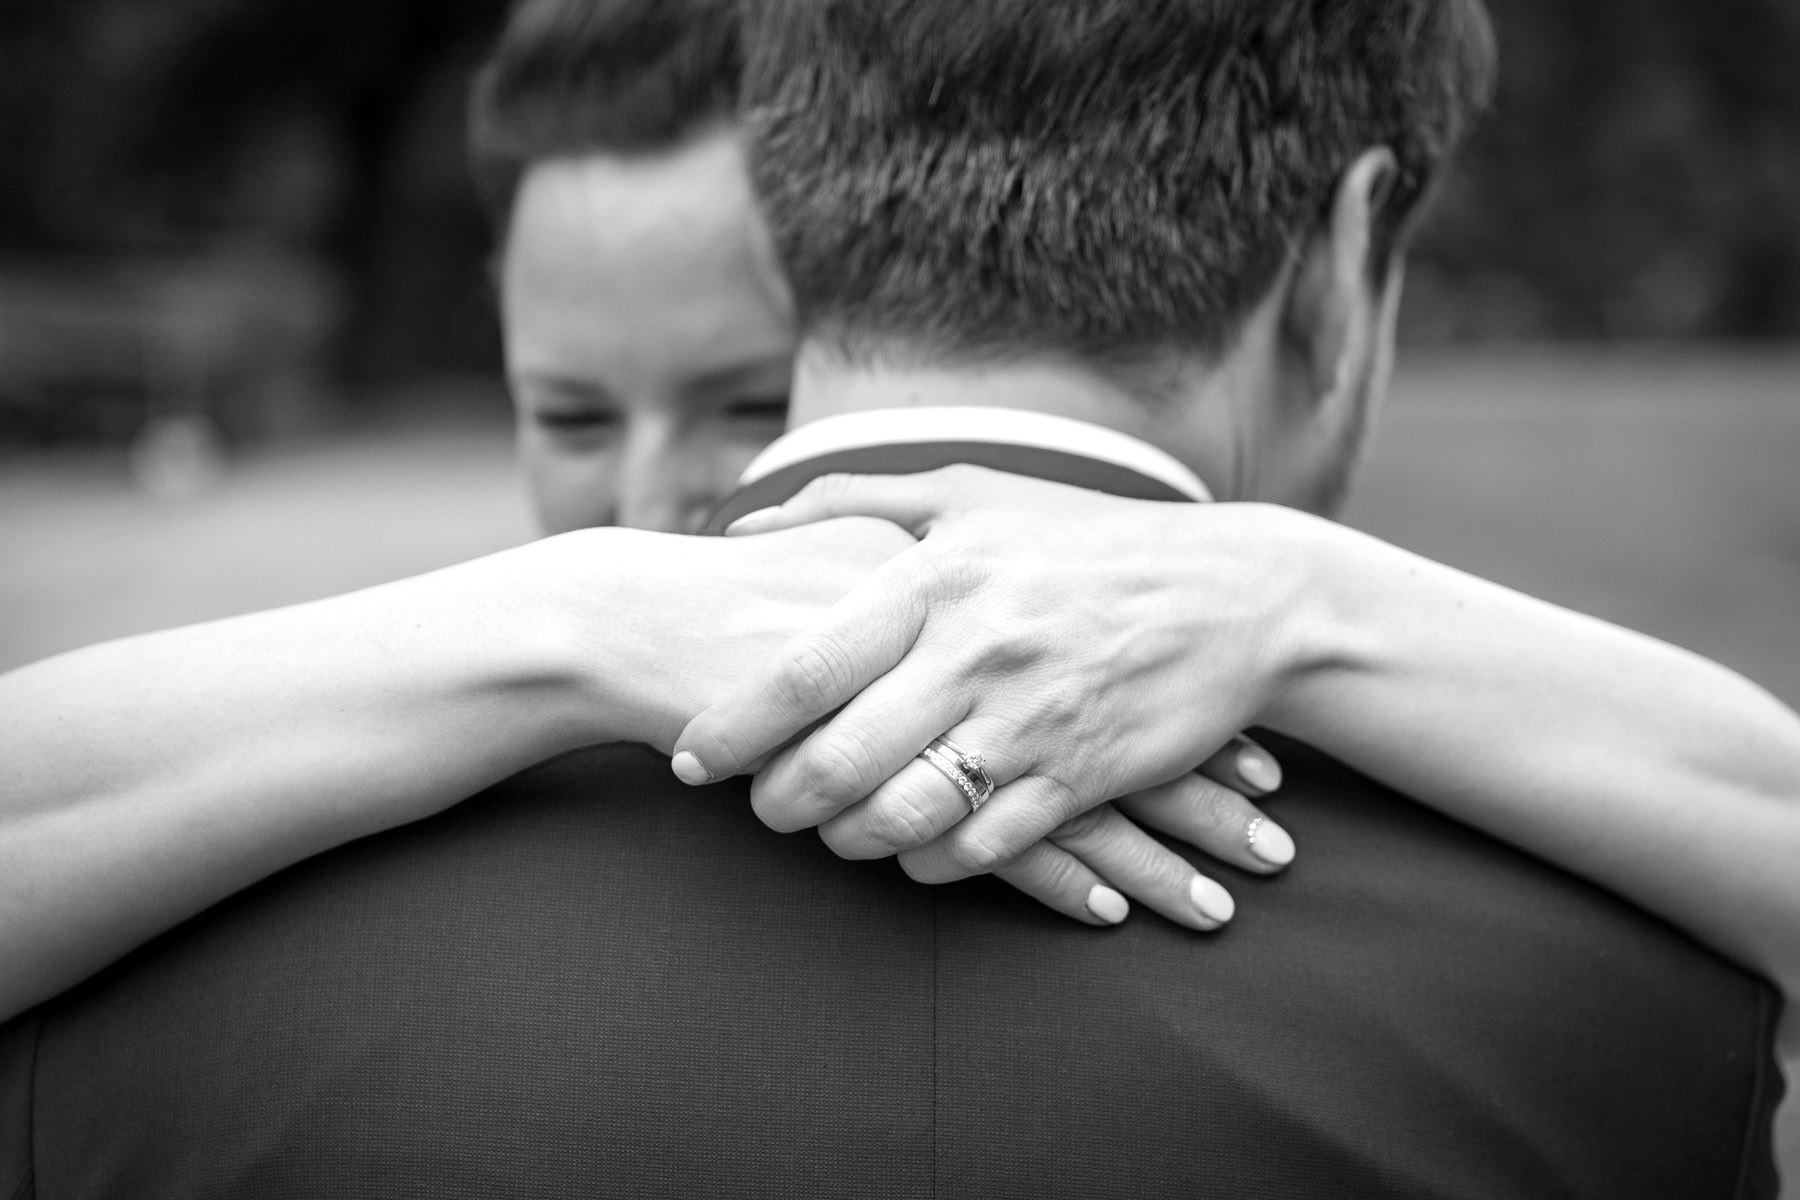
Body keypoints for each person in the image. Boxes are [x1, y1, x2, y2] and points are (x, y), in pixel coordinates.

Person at [0, 0, 1784, 1194]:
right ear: (1342, 257)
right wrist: (1321, 605)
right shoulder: (1649, 993)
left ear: (791, 201)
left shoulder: (148, 942)